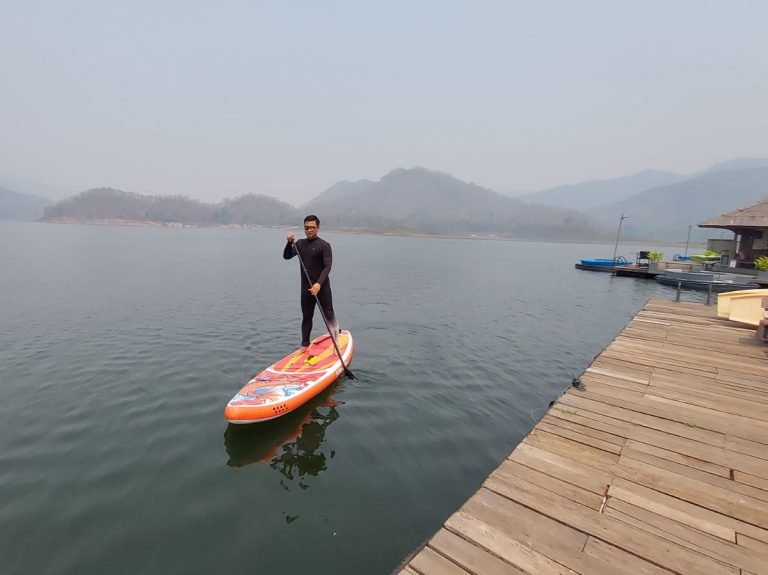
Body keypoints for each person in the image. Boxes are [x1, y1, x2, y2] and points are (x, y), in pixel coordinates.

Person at [283, 215, 338, 352]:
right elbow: (287, 256)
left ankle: (336, 342)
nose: (309, 230)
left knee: (328, 314)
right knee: (307, 317)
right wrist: (289, 243)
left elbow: (327, 267)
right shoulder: (300, 244)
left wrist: (318, 284)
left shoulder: (324, 246)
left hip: (322, 288)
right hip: (306, 289)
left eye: (312, 227)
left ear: (318, 228)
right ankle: (304, 345)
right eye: (306, 228)